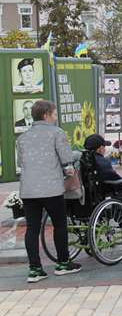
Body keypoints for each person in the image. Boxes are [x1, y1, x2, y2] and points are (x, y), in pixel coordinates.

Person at [16, 100, 82, 282]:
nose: (55, 118)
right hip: (51, 188)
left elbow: (21, 163)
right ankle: (63, 263)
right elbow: (67, 158)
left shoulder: (22, 138)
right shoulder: (57, 133)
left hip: (28, 191)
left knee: (32, 229)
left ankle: (35, 269)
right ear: (46, 115)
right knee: (60, 224)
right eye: (54, 114)